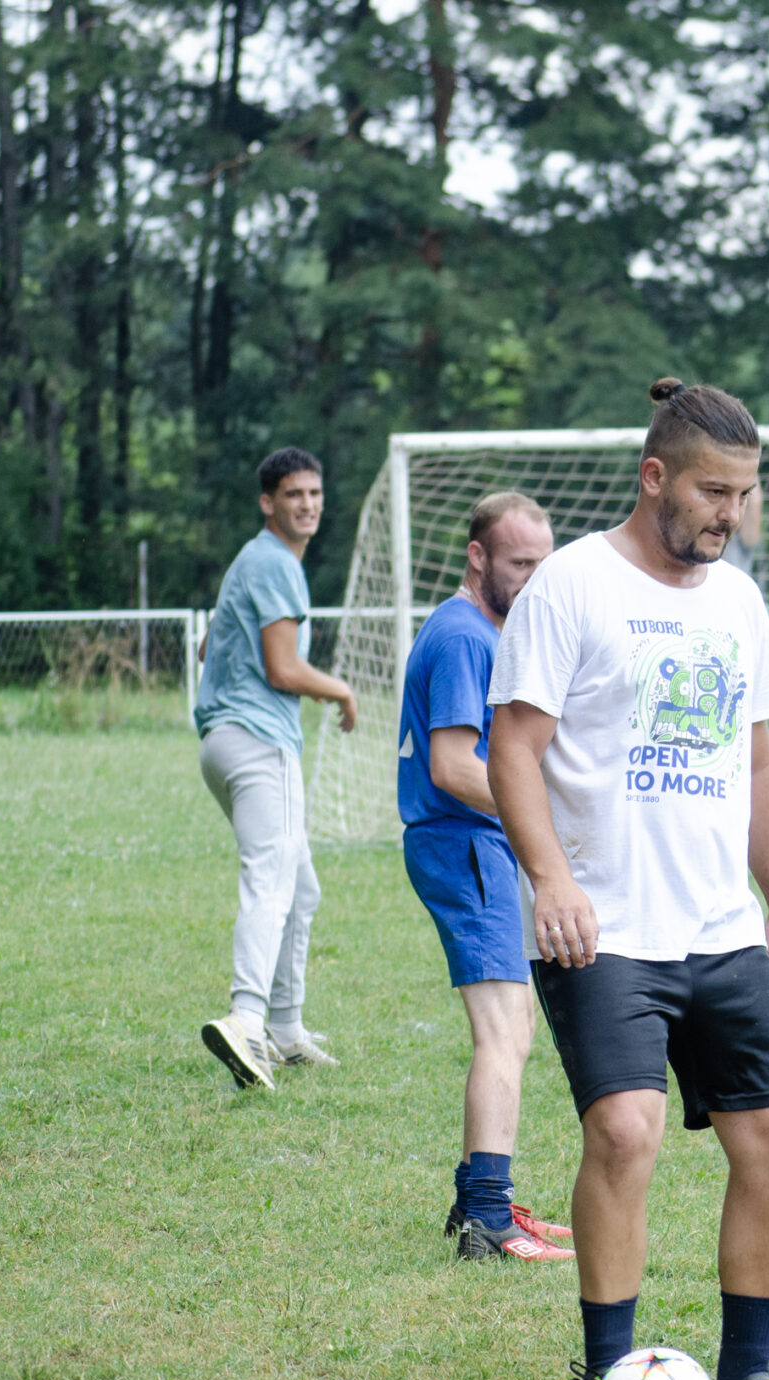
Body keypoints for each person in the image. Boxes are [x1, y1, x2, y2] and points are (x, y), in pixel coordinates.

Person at [487, 378, 769, 1380]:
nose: (731, 513)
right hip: (603, 928)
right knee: (624, 1131)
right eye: (712, 491)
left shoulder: (738, 602)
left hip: (718, 928)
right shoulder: (572, 585)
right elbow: (513, 747)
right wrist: (552, 879)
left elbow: (757, 761)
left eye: (744, 494)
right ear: (654, 478)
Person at [397, 490, 577, 1264]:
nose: (535, 580)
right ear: (477, 557)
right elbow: (452, 765)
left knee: (516, 1025)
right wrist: (539, 813)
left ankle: (478, 1196)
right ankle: (488, 1220)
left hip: (476, 845)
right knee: (502, 1032)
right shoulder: (464, 636)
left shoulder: (484, 630)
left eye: (543, 564)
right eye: (520, 563)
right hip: (463, 844)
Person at [196, 447, 358, 1089]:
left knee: (301, 886)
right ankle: (246, 1019)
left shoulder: (254, 560)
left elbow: (210, 643)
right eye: (294, 494)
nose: (307, 504)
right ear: (268, 502)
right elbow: (283, 669)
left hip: (221, 742)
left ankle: (286, 1031)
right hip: (260, 743)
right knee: (271, 878)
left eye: (314, 493)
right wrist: (341, 690)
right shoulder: (275, 563)